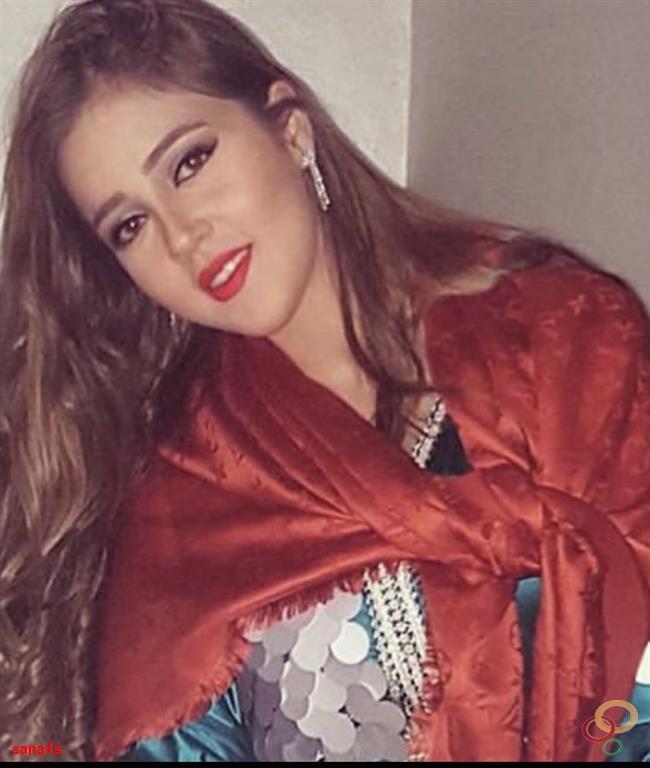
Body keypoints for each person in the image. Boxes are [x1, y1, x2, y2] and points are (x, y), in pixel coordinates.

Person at [0, 0, 648, 761]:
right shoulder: (183, 506)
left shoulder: (568, 340)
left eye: (188, 163)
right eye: (130, 226)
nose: (181, 236)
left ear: (290, 129)